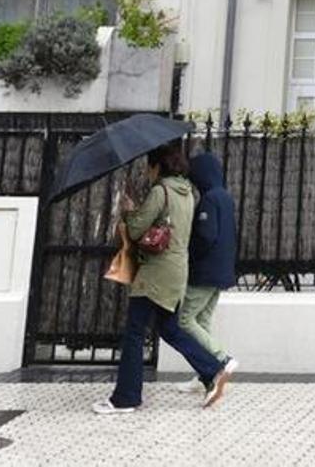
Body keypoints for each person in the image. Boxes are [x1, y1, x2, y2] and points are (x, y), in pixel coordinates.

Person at [93, 142, 237, 414]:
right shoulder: (188, 194)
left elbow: (136, 230)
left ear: (157, 166)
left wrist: (128, 210)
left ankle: (126, 397)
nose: (147, 172)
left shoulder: (161, 191)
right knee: (170, 329)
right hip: (177, 271)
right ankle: (213, 371)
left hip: (156, 272)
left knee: (135, 332)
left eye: (149, 167)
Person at [176, 151, 239, 394]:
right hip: (221, 271)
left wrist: (189, 253)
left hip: (205, 272)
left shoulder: (210, 200)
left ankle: (221, 360)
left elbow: (205, 235)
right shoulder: (225, 197)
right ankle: (205, 374)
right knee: (202, 321)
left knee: (184, 320)